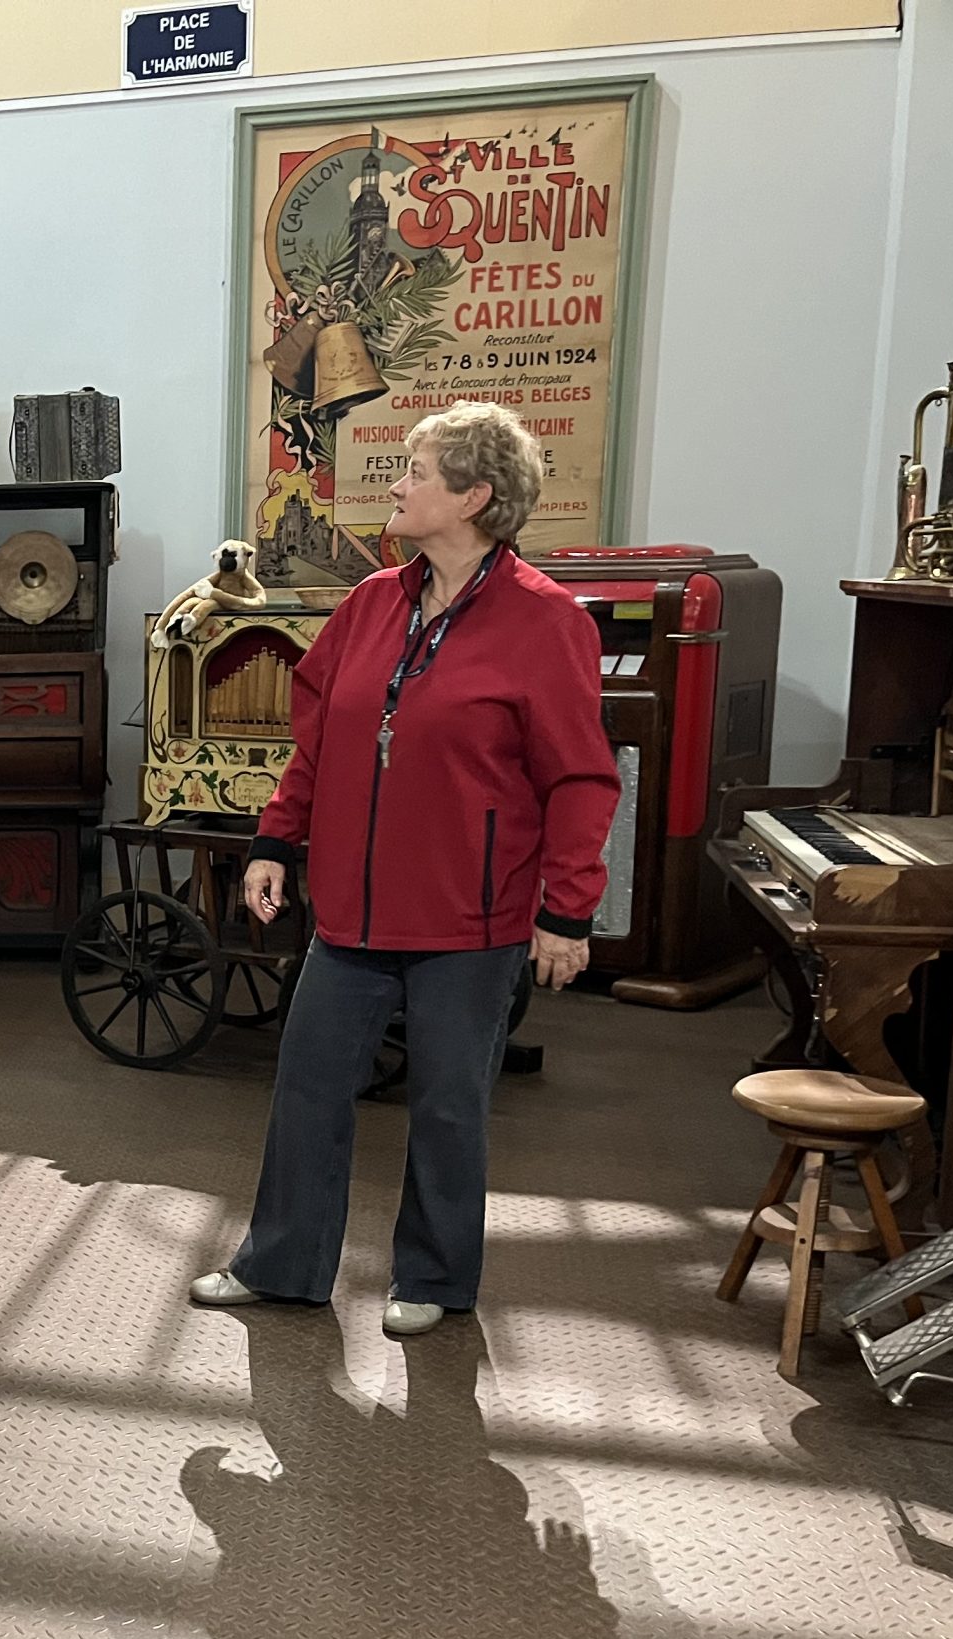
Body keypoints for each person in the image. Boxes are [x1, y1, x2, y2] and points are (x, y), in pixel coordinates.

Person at [189, 401, 620, 1336]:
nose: (396, 485)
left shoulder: (547, 623)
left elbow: (583, 778)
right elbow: (321, 739)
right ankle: (284, 1263)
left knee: (449, 1106)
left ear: (474, 495)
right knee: (307, 1088)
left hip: (473, 918)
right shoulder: (372, 602)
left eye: (416, 471)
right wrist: (275, 841)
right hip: (350, 909)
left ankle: (432, 1278)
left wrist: (568, 912)